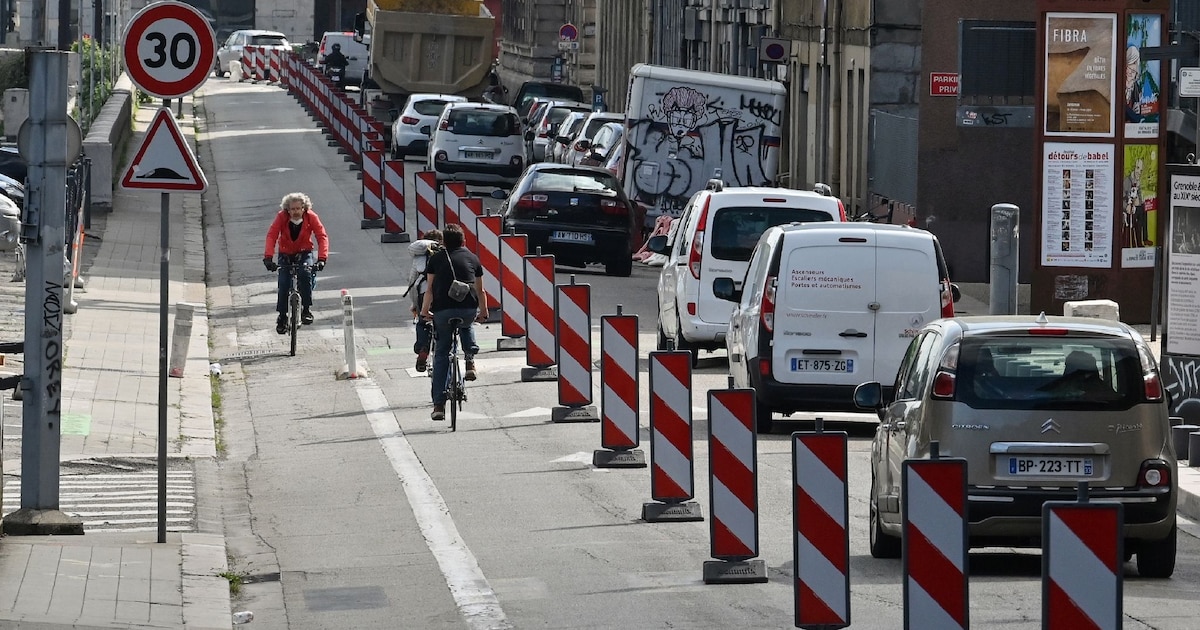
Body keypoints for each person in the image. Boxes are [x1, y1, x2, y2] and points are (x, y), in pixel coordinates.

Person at [420, 224, 488, 420]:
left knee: (441, 353)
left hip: (442, 311)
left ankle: (439, 405)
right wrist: (482, 313)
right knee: (466, 324)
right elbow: (480, 291)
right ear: (463, 241)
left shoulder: (436, 259)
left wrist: (425, 312)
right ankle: (469, 356)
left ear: (443, 243)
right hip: (467, 310)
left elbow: (430, 290)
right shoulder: (473, 259)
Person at [263, 192, 329, 334]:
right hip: (285, 253)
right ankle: (282, 315)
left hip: (304, 252)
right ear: (287, 209)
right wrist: (268, 257)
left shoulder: (312, 217)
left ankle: (306, 309)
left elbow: (321, 236)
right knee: (284, 282)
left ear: (304, 208)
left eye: (298, 208)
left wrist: (322, 259)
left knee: (305, 275)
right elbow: (272, 235)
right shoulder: (281, 217)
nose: (295, 212)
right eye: (292, 209)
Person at [403, 229, 443, 372]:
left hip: (422, 294)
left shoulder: (418, 259)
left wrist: (414, 305)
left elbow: (412, 284)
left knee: (423, 322)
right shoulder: (445, 254)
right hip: (442, 293)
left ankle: (422, 349)